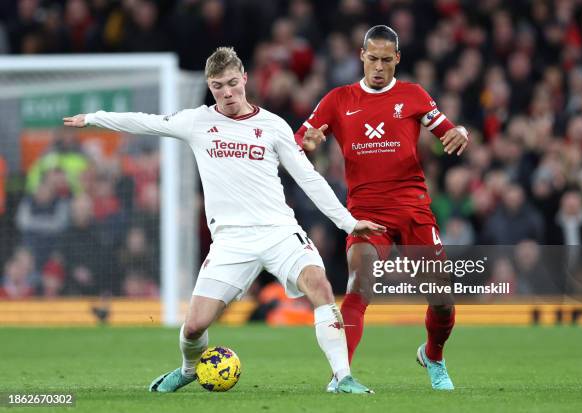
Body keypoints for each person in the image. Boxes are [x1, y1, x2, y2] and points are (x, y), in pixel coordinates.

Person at [63, 46, 385, 394]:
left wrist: (348, 223)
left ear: (245, 78)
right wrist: (94, 117)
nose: (227, 93)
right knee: (192, 328)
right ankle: (188, 369)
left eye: (232, 83)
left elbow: (308, 178)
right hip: (231, 241)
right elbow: (146, 121)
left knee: (319, 286)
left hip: (280, 231)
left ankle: (343, 376)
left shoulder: (273, 126)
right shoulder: (197, 122)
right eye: (218, 86)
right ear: (209, 85)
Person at [294, 25, 470, 391]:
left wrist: (462, 133)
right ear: (361, 56)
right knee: (359, 282)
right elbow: (297, 141)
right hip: (365, 213)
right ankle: (341, 376)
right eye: (372, 58)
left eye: (386, 60)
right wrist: (305, 142)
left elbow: (448, 134)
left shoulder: (414, 96)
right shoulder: (338, 99)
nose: (378, 67)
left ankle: (433, 356)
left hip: (413, 209)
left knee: (441, 300)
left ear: (397, 60)